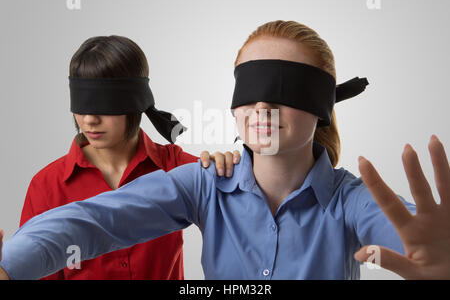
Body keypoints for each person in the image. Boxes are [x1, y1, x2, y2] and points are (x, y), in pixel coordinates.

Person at [1, 20, 449, 280]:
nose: (263, 104)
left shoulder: (350, 202)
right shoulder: (204, 183)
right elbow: (95, 219)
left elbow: (410, 233)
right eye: (250, 87)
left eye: (286, 88)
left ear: (323, 104)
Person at [16, 35, 239, 280]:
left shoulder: (175, 167)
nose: (89, 120)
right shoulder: (47, 186)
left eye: (104, 105)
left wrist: (227, 168)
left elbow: (243, 211)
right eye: (82, 104)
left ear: (135, 101)